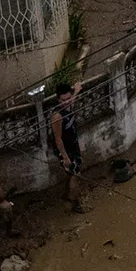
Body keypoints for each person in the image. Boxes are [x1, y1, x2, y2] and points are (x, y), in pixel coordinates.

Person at [50, 81, 84, 210]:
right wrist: (65, 157)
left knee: (70, 173)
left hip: (73, 144)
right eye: (64, 100)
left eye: (69, 98)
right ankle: (75, 203)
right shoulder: (57, 116)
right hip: (64, 148)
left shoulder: (69, 105)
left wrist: (76, 91)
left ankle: (66, 194)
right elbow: (58, 139)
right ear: (58, 100)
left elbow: (72, 100)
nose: (67, 102)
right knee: (76, 174)